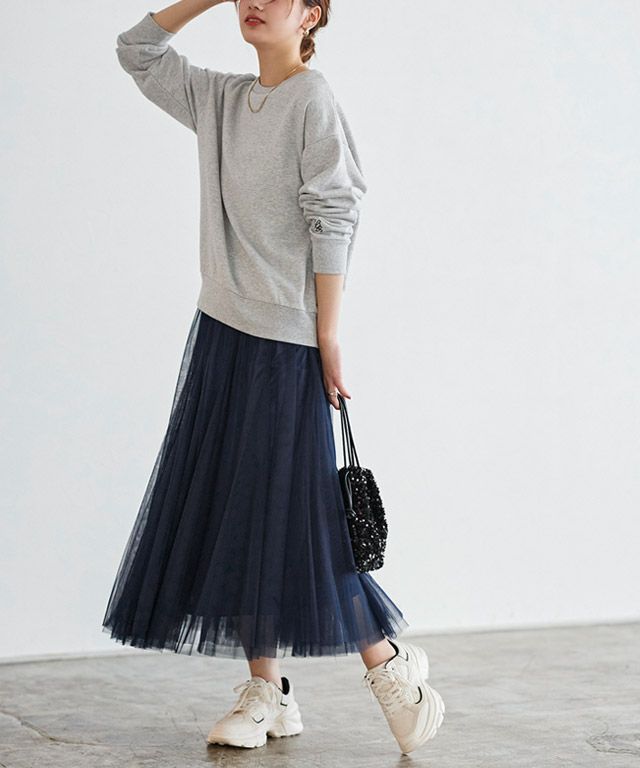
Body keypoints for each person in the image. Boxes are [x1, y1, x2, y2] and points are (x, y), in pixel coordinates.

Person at [102, 0, 445, 753]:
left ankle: (389, 667)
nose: (255, 2)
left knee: (304, 516)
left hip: (288, 339)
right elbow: (136, 50)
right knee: (239, 508)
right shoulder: (220, 98)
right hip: (221, 329)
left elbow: (335, 211)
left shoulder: (312, 99)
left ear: (312, 14)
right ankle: (269, 690)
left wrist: (327, 335)